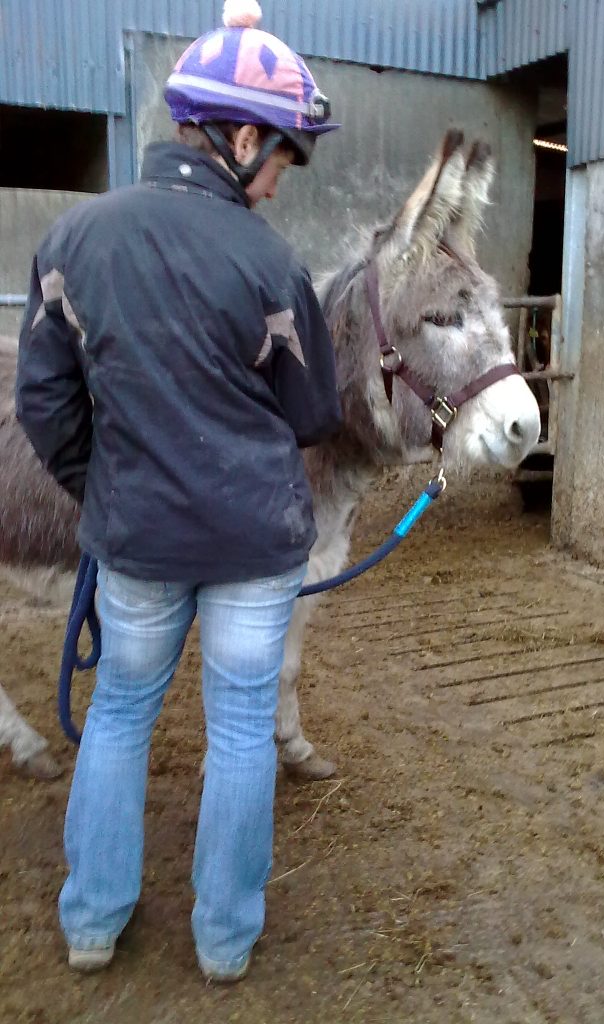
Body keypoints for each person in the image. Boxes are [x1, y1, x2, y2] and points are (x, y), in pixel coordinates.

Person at [15, 0, 342, 983]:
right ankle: (225, 936)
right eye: (282, 155)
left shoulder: (73, 241)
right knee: (241, 727)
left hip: (138, 542)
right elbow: (312, 411)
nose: (279, 183)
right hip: (252, 547)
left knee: (119, 712)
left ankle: (93, 919)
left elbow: (45, 400)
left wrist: (103, 486)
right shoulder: (274, 266)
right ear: (241, 136)